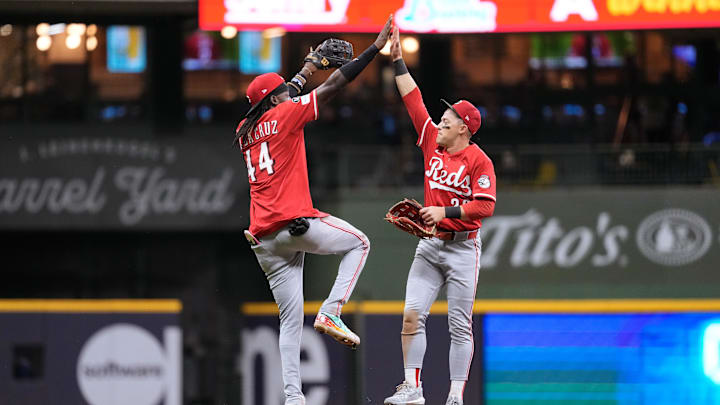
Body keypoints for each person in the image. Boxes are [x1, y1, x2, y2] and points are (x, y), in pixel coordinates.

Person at [236, 16, 393, 405]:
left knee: (289, 321)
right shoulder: (286, 114)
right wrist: (374, 49)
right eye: (282, 94)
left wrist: (307, 68)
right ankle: (332, 310)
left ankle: (294, 398)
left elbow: (282, 93)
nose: (288, 96)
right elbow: (336, 86)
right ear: (275, 101)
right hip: (295, 223)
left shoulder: (244, 130)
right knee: (360, 243)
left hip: (264, 240)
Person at [382, 26, 497, 405]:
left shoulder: (479, 160)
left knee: (459, 327)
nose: (441, 121)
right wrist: (397, 58)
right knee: (411, 317)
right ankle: (413, 389)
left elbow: (485, 206)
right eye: (443, 118)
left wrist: (442, 211)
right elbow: (413, 100)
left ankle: (454, 397)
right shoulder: (432, 140)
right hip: (430, 248)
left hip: (464, 250)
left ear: (465, 128)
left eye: (448, 119)